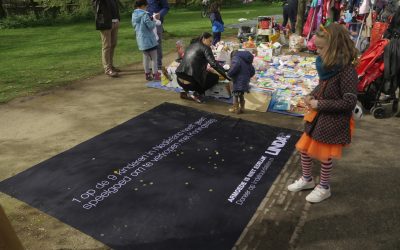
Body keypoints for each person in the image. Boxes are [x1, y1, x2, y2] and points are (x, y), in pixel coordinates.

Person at [287, 23, 359, 203]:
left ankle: (324, 187)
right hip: (318, 116)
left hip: (333, 120)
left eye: (320, 47)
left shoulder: (348, 71)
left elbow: (349, 102)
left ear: (335, 47)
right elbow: (323, 85)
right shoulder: (327, 66)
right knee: (304, 148)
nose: (317, 51)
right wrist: (312, 94)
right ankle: (307, 179)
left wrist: (319, 103)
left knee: (325, 155)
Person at [175, 32, 230, 103]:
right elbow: (213, 64)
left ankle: (184, 92)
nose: (211, 44)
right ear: (204, 39)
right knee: (214, 77)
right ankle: (198, 94)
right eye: (210, 41)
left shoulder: (191, 45)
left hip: (179, 79)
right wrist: (225, 74)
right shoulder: (206, 48)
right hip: (191, 83)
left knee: (195, 74)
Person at [132, 0, 161, 81]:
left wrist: (151, 17)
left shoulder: (134, 15)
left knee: (145, 58)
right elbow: (150, 26)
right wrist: (155, 20)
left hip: (141, 41)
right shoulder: (145, 14)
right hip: (149, 41)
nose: (147, 8)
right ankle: (155, 74)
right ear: (143, 6)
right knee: (154, 58)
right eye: (146, 6)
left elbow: (140, 24)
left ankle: (147, 74)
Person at [92, 0, 121, 77]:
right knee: (106, 46)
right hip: (105, 23)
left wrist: (118, 19)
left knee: (113, 44)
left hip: (115, 21)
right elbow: (96, 5)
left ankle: (111, 65)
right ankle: (107, 69)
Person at [146, 0, 169, 70]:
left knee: (157, 43)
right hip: (145, 23)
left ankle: (158, 65)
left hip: (157, 23)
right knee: (147, 44)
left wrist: (160, 14)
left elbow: (166, 7)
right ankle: (150, 64)